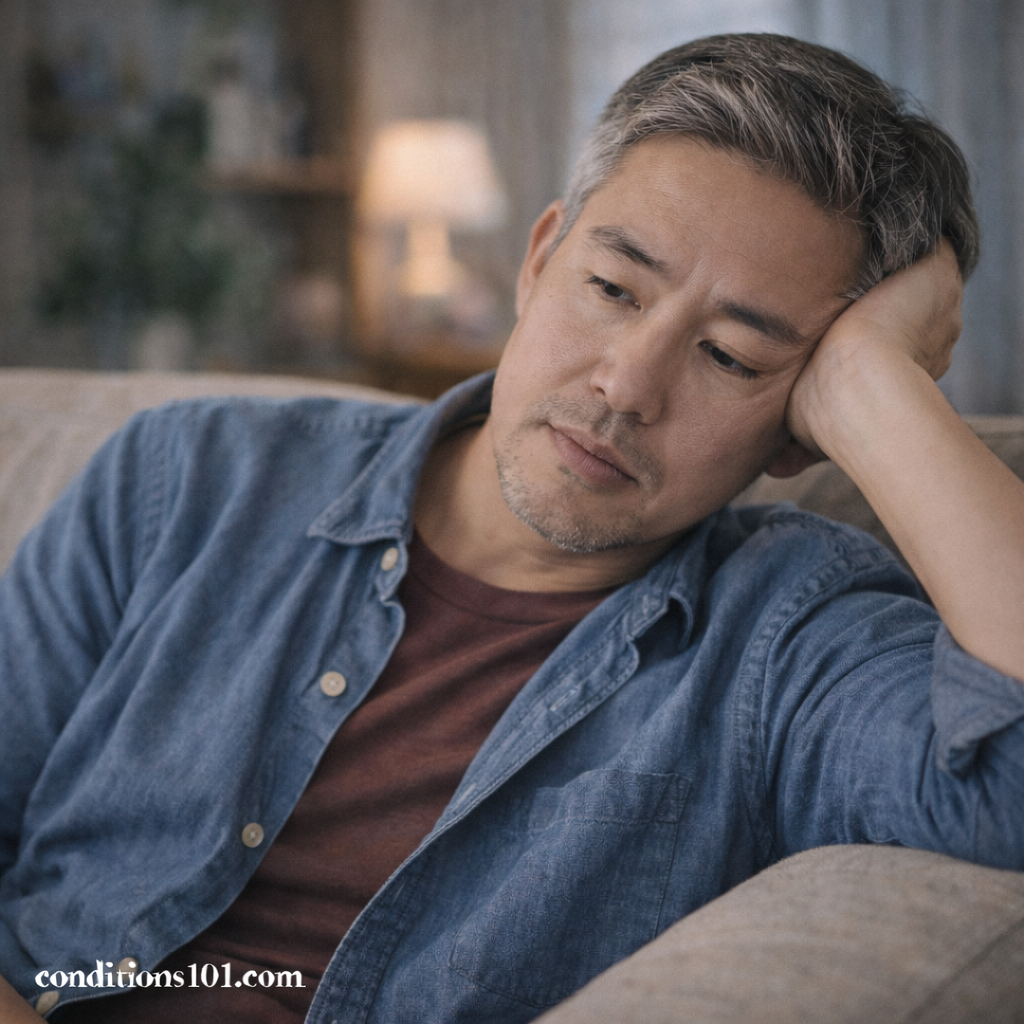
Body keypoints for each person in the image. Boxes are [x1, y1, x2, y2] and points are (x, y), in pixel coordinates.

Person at [2, 31, 1023, 1024]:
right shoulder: (185, 478)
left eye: (731, 357)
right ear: (538, 260)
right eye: (612, 289)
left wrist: (878, 385)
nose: (627, 385)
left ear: (800, 431)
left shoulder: (788, 638)